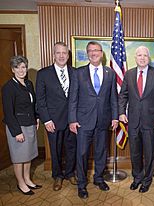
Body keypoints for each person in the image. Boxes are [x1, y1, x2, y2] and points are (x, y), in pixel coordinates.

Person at [68, 41, 118, 199]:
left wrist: (115, 117)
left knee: (101, 152)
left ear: (102, 53)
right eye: (90, 51)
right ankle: (82, 185)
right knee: (82, 153)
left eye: (96, 50)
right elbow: (73, 98)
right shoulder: (78, 73)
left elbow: (113, 99)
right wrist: (72, 120)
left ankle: (98, 178)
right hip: (83, 122)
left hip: (103, 120)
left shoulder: (110, 73)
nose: (93, 53)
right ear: (87, 54)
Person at [119, 46, 154, 193]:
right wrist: (121, 112)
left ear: (148, 58)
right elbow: (123, 95)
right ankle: (137, 178)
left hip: (150, 121)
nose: (142, 58)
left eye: (145, 55)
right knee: (135, 153)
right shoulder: (129, 74)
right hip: (132, 121)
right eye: (139, 55)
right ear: (135, 57)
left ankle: (147, 180)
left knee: (150, 153)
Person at [36, 42, 77, 191]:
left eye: (64, 53)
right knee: (55, 149)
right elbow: (40, 100)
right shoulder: (43, 74)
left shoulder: (75, 73)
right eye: (58, 53)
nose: (61, 56)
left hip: (72, 120)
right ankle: (58, 176)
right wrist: (46, 119)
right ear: (53, 55)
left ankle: (70, 173)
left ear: (68, 55)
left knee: (72, 148)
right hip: (52, 121)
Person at [1, 56, 42, 195]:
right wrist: (17, 132)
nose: (21, 70)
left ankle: (27, 179)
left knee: (28, 155)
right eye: (17, 67)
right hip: (17, 127)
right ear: (13, 70)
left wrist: (36, 118)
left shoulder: (29, 83)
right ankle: (21, 183)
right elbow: (8, 113)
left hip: (30, 124)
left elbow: (33, 104)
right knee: (19, 157)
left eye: (23, 67)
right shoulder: (8, 87)